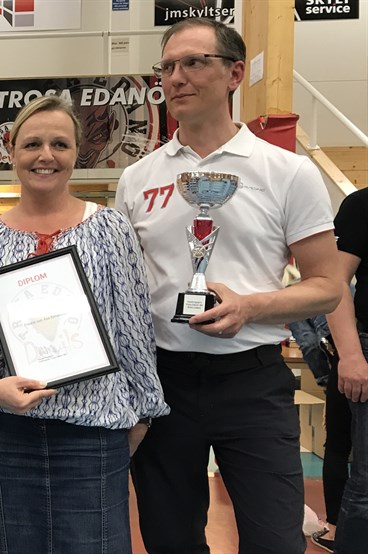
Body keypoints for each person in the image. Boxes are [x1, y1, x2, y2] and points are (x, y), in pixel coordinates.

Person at [115, 18, 341, 553]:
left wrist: (251, 306)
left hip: (252, 381)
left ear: (235, 74)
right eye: (167, 67)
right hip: (163, 382)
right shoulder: (137, 178)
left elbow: (328, 286)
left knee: (275, 541)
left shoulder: (287, 172)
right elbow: (121, 290)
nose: (176, 78)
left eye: (194, 62)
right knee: (170, 541)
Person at [0, 93, 169, 553]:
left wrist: (144, 414)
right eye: (32, 144)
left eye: (59, 144)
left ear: (77, 153)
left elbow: (133, 327)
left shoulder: (109, 228)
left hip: (93, 433)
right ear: (11, 151)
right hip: (5, 430)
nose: (45, 155)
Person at [324, 187, 368, 553]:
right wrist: (350, 355)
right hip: (366, 349)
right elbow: (334, 283)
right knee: (367, 481)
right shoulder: (362, 205)